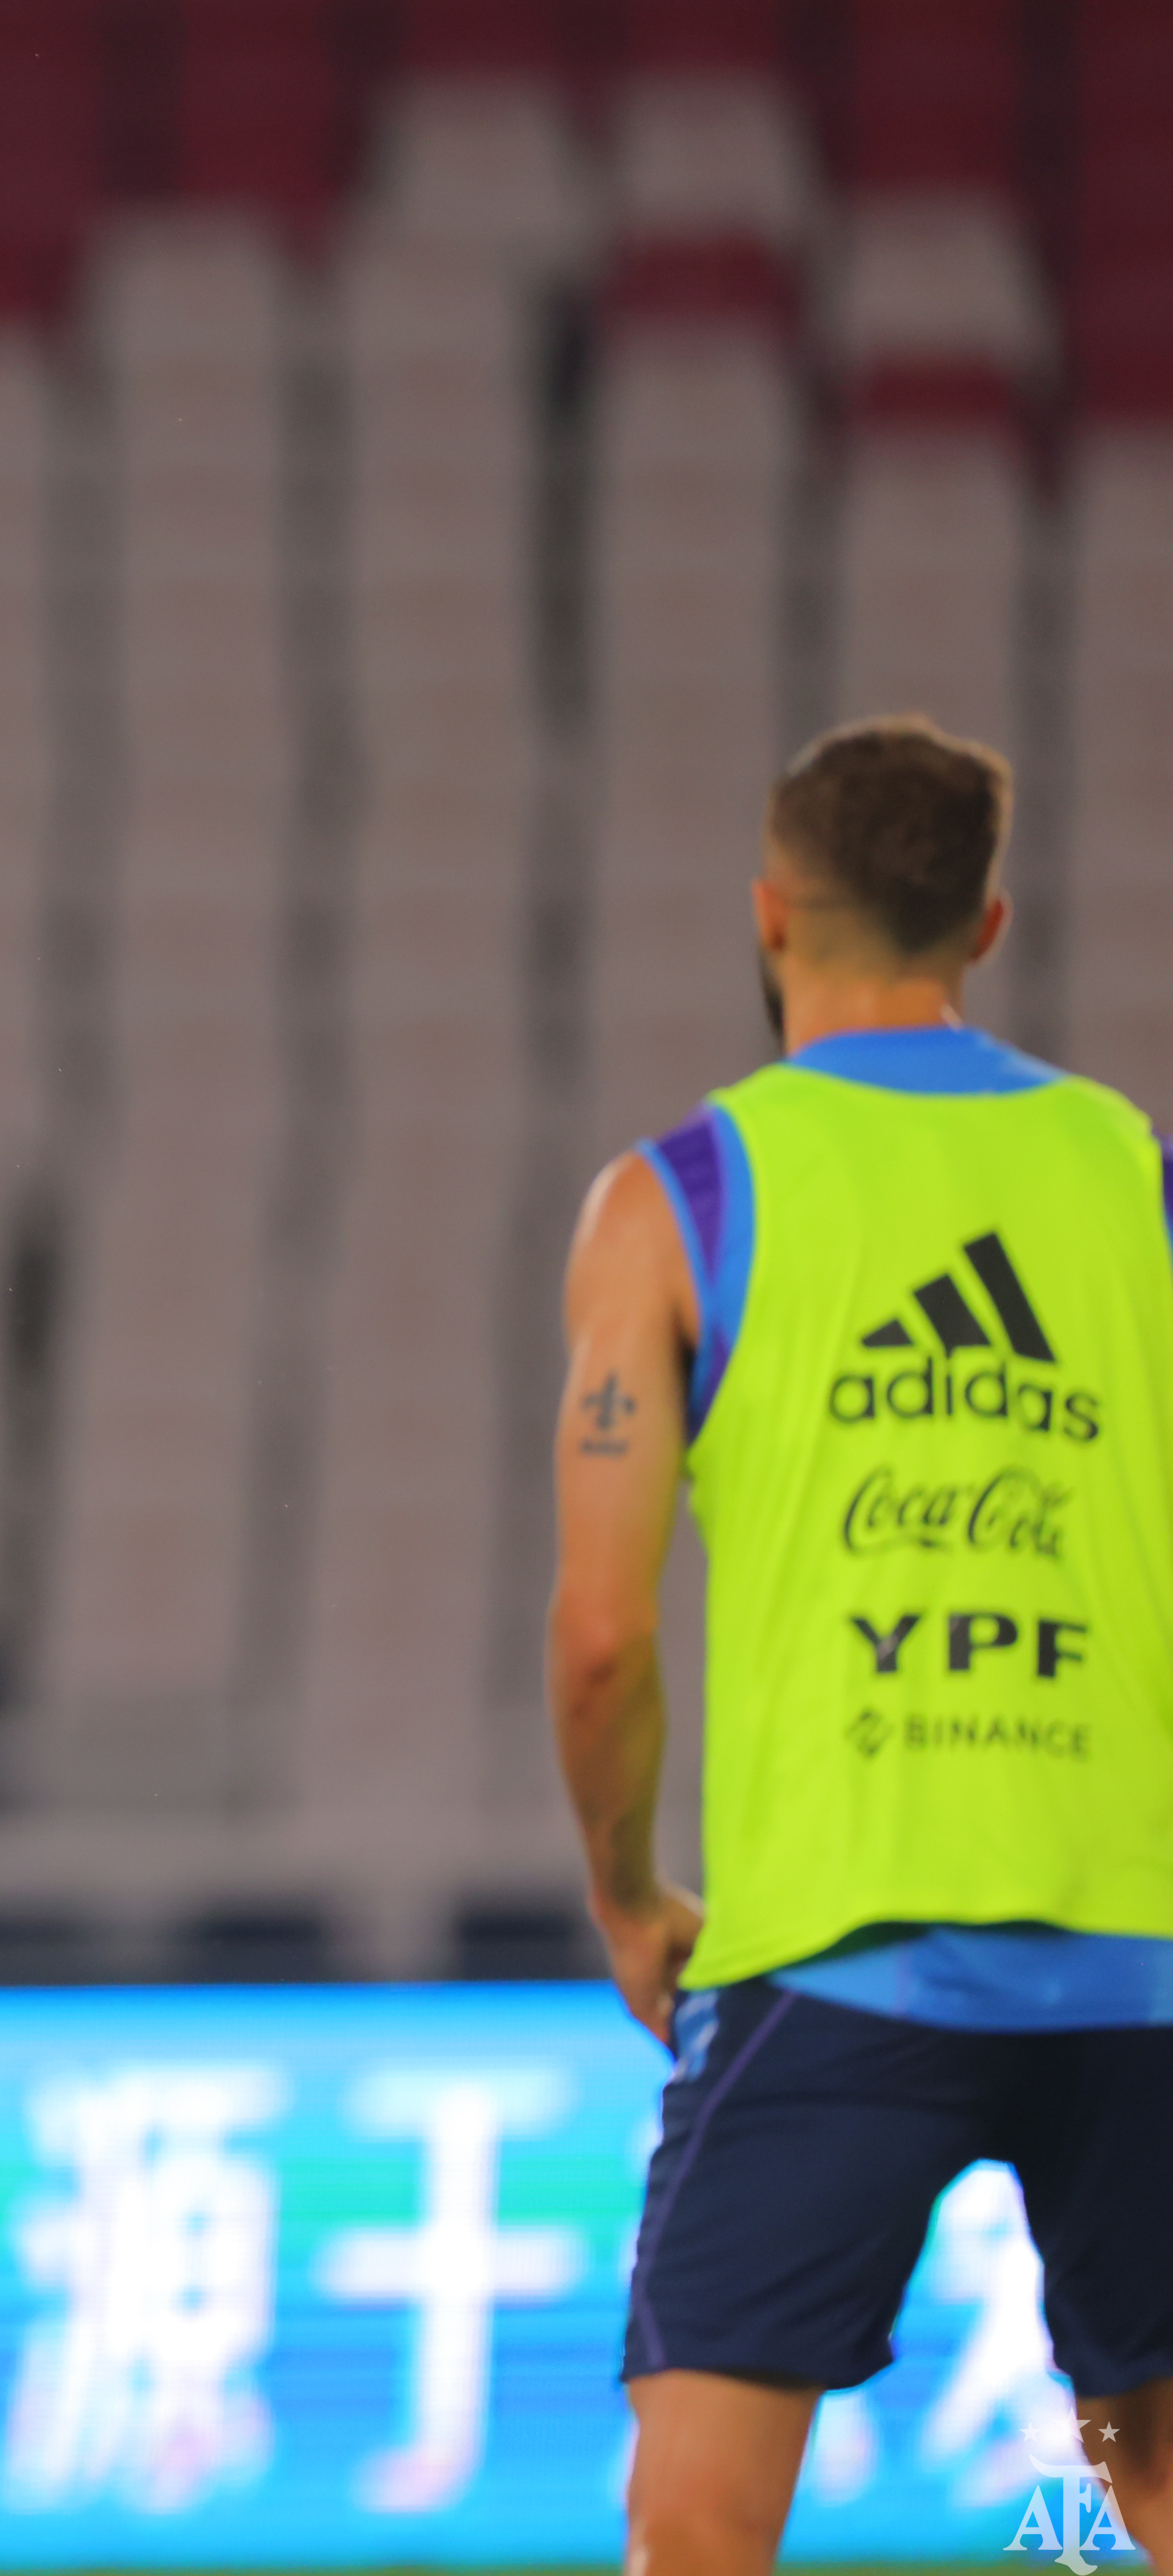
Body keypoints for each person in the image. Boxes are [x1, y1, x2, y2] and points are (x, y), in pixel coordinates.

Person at [547, 715, 1173, 2576]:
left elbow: (600, 1638)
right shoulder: (1128, 1176)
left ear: (769, 916)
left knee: (704, 2533)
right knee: (1148, 2484)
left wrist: (625, 1892)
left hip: (837, 1953)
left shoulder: (681, 1198)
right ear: (988, 920)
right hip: (1133, 1950)